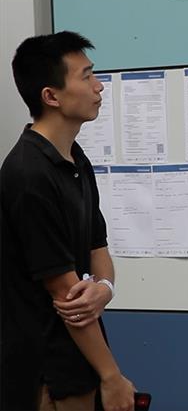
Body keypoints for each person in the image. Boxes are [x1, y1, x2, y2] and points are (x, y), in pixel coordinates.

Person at [1, 31, 135, 411]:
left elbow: (97, 247)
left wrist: (105, 286)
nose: (99, 86)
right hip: (47, 373)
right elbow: (65, 295)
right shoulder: (28, 175)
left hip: (80, 360)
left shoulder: (75, 159)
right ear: (51, 96)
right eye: (86, 76)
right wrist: (112, 377)